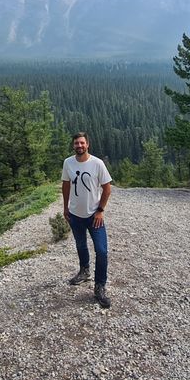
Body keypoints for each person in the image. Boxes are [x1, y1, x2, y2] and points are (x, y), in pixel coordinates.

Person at [62, 131, 112, 308]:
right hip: (75, 215)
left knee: (102, 251)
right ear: (73, 145)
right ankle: (84, 271)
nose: (79, 146)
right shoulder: (68, 162)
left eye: (82, 143)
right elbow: (66, 185)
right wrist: (65, 207)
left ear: (88, 144)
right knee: (81, 245)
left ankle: (100, 286)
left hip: (94, 216)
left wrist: (100, 210)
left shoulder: (97, 163)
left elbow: (107, 188)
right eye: (76, 143)